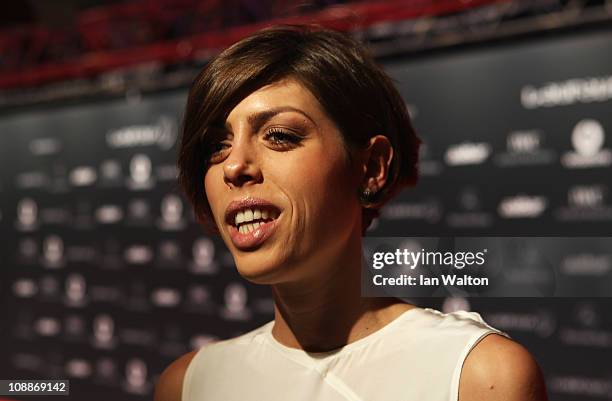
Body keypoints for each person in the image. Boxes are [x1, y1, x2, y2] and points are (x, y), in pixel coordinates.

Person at [155, 24, 548, 401]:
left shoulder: (478, 376)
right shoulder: (188, 385)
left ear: (372, 168)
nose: (234, 166)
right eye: (215, 146)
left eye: (280, 136)